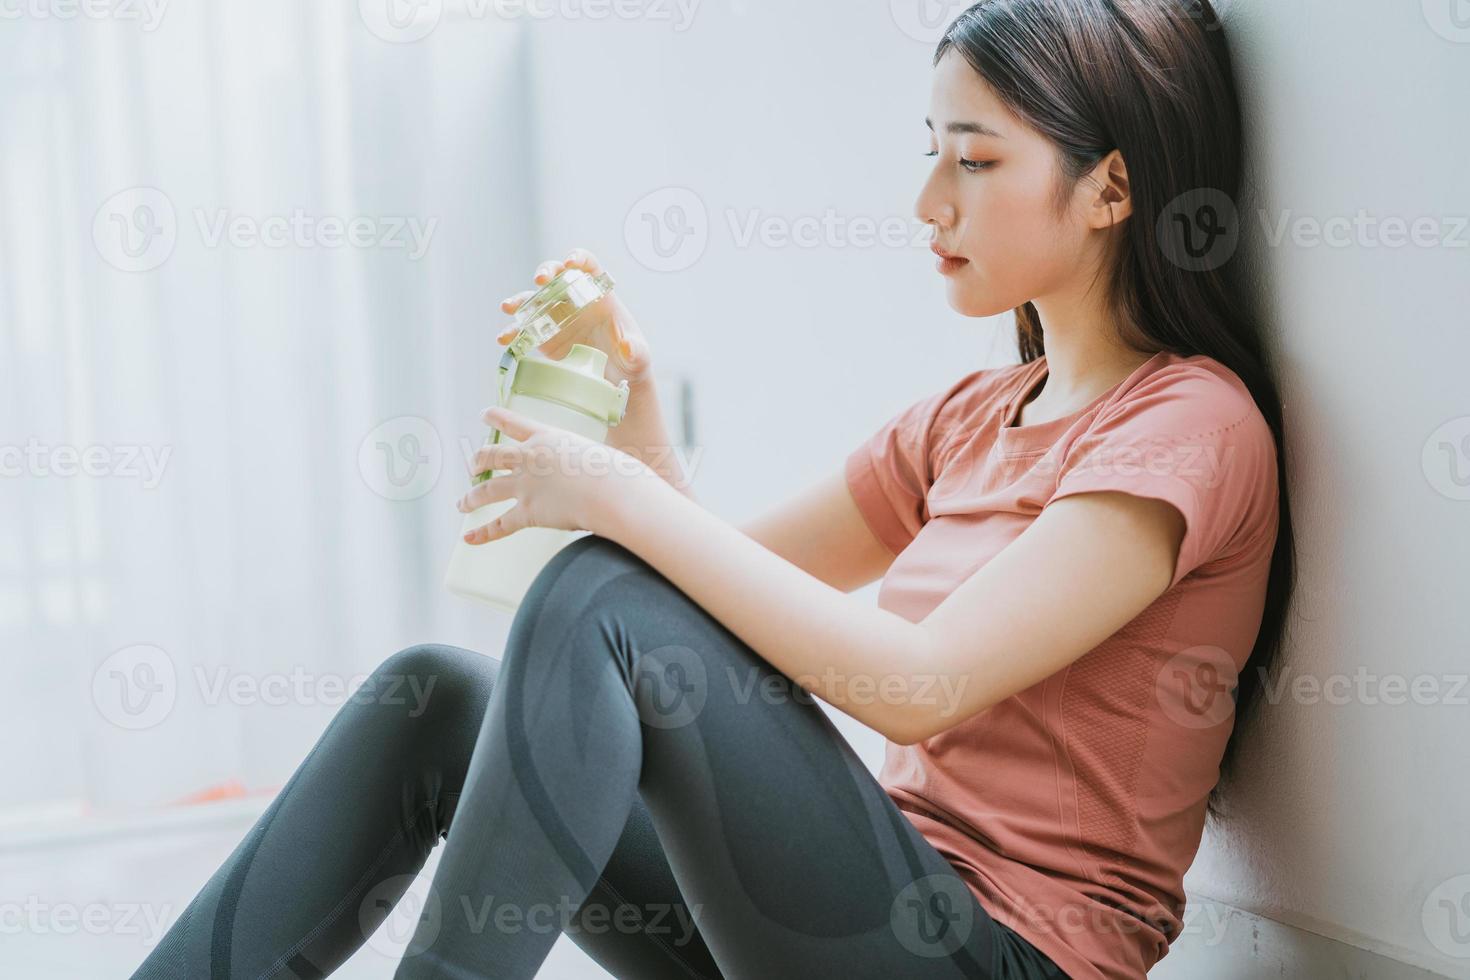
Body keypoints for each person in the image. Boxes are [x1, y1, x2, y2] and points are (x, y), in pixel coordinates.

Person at [130, 1, 1293, 977]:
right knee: (432, 695)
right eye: (930, 149)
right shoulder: (968, 419)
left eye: (977, 160)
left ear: (1110, 190)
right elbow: (697, 623)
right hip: (862, 915)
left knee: (603, 586)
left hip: (996, 953)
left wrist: (614, 500)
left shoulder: (1191, 425)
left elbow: (920, 685)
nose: (930, 201)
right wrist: (637, 434)